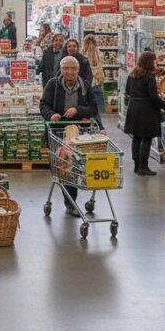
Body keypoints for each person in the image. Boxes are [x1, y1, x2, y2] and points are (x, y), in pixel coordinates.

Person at [40, 57, 100, 216]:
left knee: (76, 167)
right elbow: (43, 105)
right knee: (67, 166)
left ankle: (72, 199)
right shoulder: (53, 85)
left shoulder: (85, 86)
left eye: (73, 68)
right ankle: (70, 202)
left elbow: (94, 108)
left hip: (80, 133)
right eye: (66, 68)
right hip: (58, 131)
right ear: (61, 69)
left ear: (78, 70)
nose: (69, 72)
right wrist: (51, 114)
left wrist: (77, 110)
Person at [123, 50, 165, 176]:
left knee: (136, 138)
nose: (156, 63)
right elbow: (153, 97)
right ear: (150, 62)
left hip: (133, 108)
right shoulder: (149, 76)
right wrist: (163, 105)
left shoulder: (132, 74)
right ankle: (144, 166)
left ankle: (136, 165)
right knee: (147, 138)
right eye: (154, 60)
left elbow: (128, 91)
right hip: (146, 110)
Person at [82, 35, 107, 114]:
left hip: (85, 84)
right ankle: (99, 125)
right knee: (97, 110)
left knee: (86, 109)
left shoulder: (82, 53)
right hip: (96, 82)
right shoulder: (99, 53)